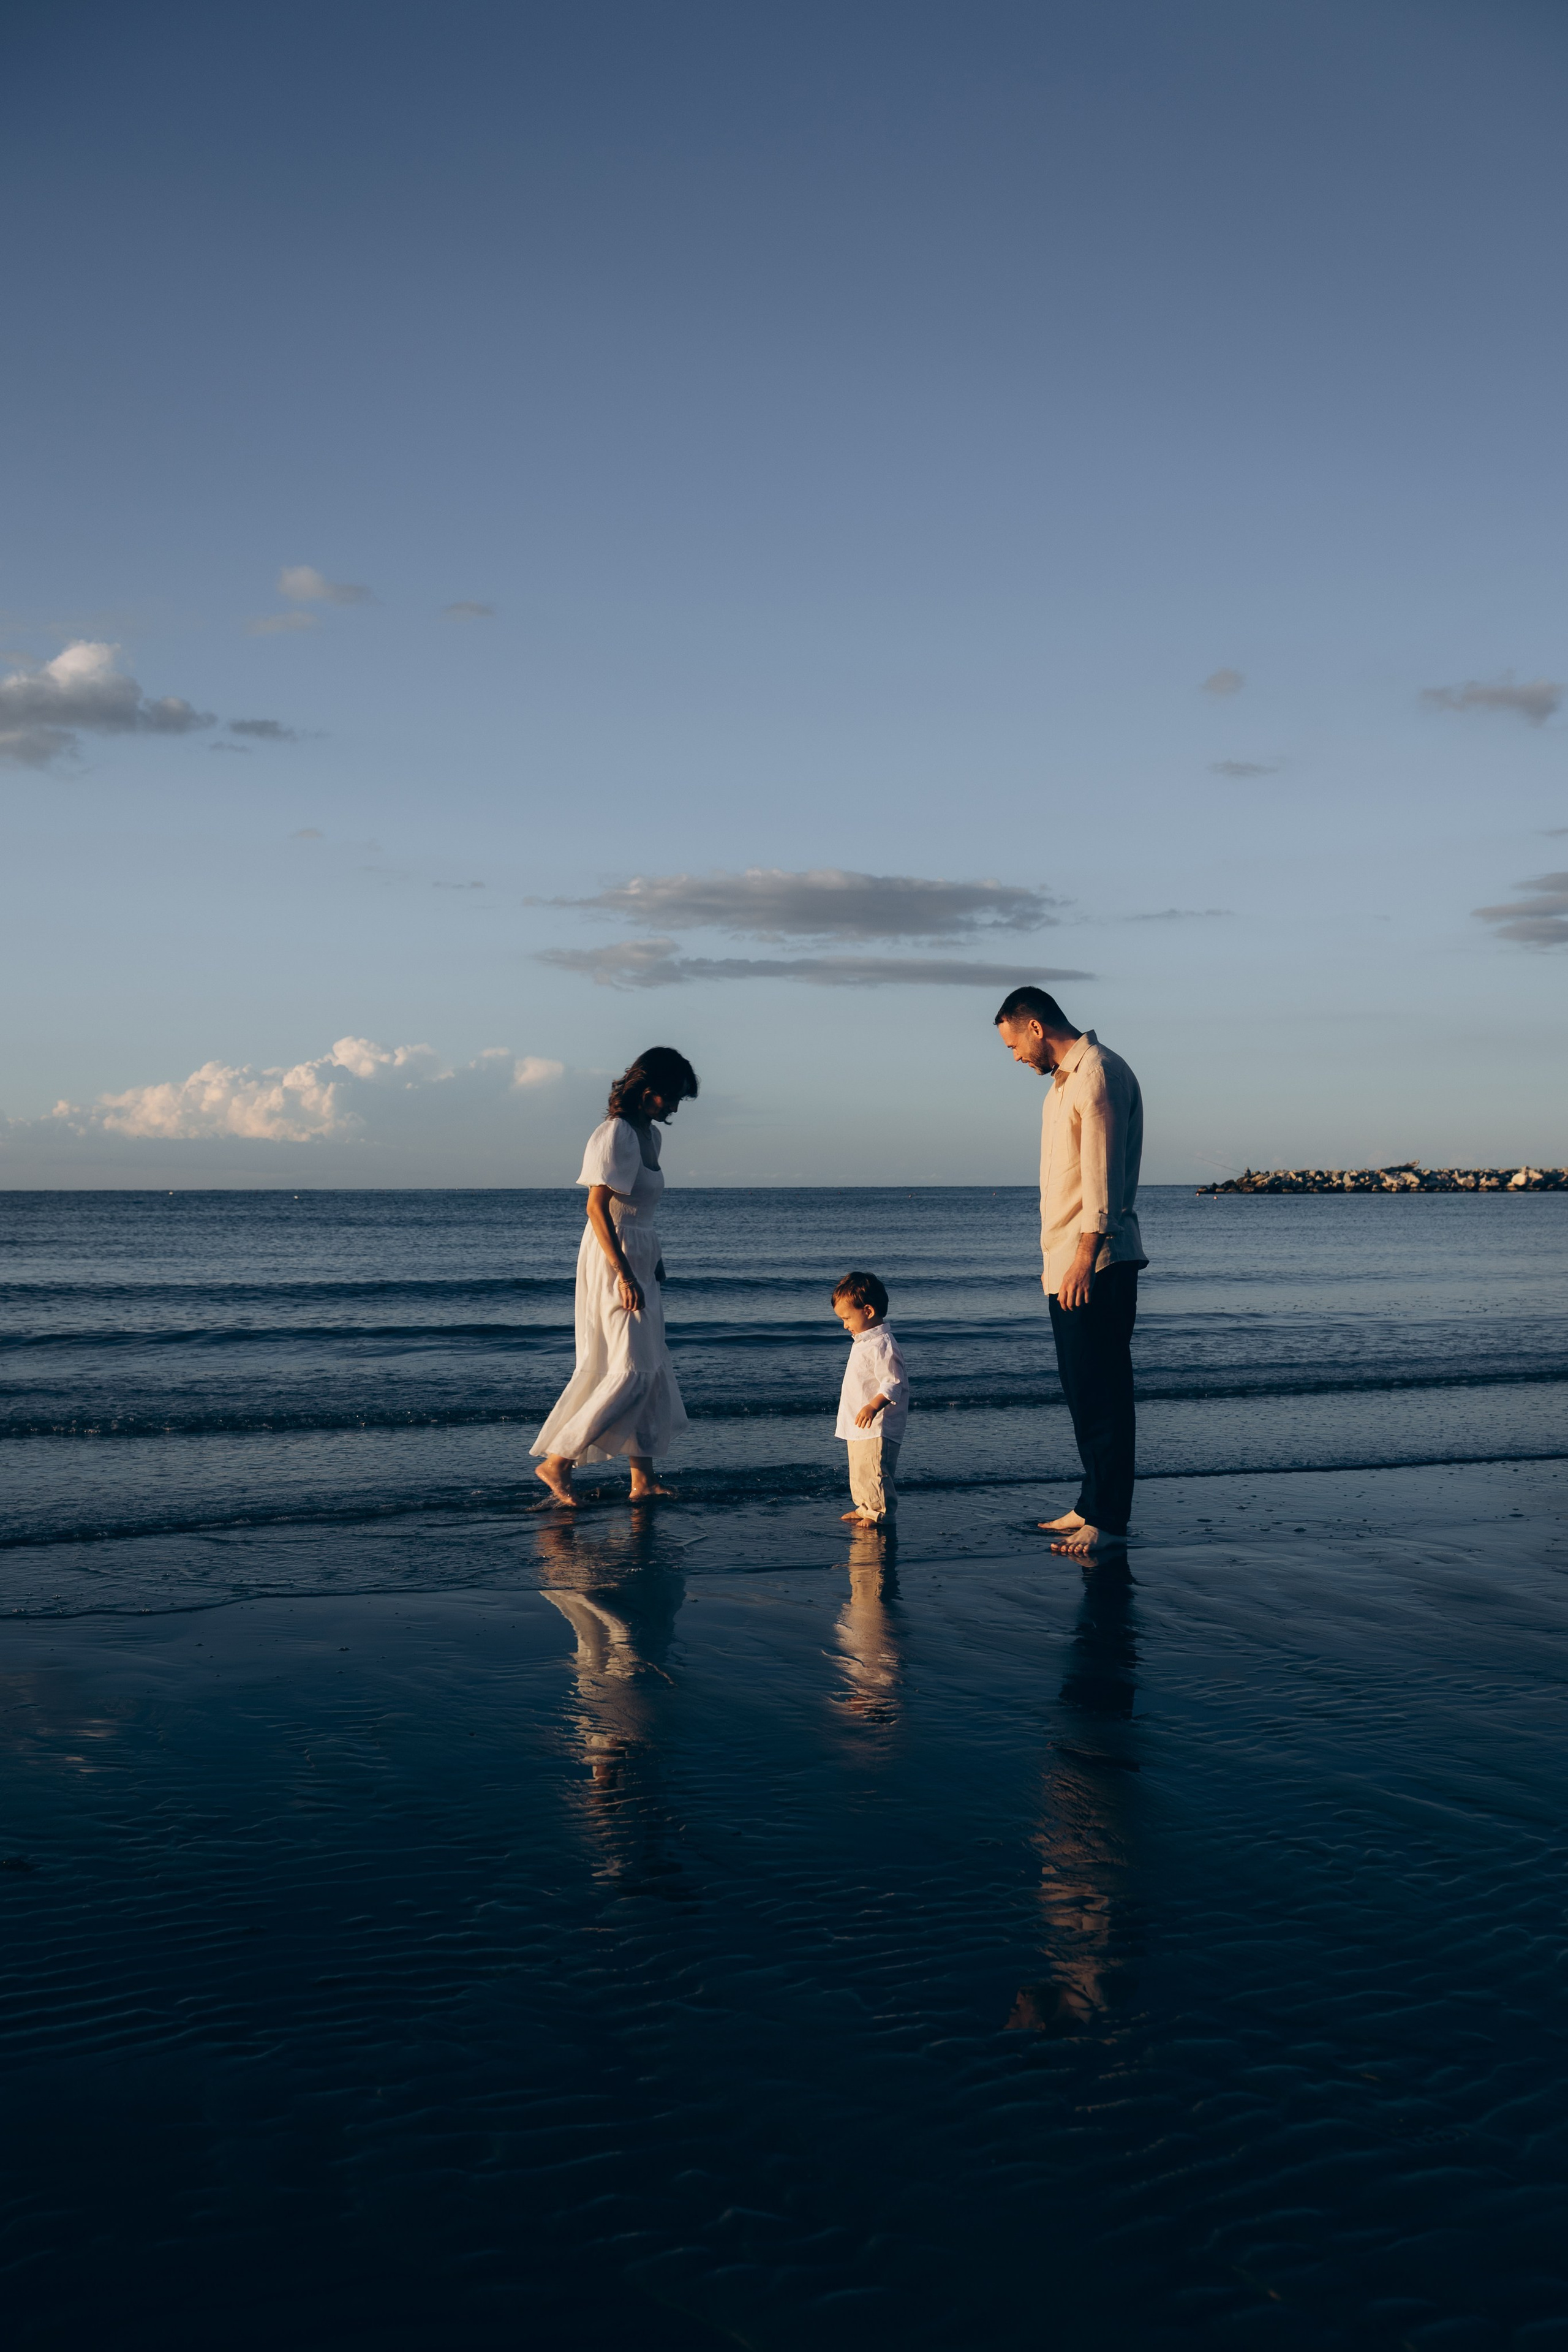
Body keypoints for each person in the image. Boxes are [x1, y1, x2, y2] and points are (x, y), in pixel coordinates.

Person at [993, 986, 1147, 1556]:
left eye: (1013, 1045)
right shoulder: (1061, 1086)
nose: (1014, 1058)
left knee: (1104, 1391)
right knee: (1083, 1390)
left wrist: (1084, 1258)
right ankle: (1091, 1502)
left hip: (1097, 1262)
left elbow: (1102, 1179)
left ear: (1034, 1028)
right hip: (1067, 1263)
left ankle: (1108, 1520)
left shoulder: (1097, 1074)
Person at [532, 1046, 699, 1507]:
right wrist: (624, 1274)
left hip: (641, 1254)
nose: (677, 1108)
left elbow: (638, 1209)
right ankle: (558, 1462)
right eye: (674, 1097)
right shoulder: (615, 1134)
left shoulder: (652, 1137)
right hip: (614, 1258)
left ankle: (643, 1479)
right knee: (629, 1370)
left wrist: (653, 1260)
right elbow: (596, 1209)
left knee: (652, 1367)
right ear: (650, 1091)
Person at [831, 1270, 908, 1526]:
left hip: (877, 1426)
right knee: (860, 1471)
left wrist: (873, 1406)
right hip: (859, 1423)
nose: (845, 1325)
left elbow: (892, 1382)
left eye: (846, 1318)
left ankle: (880, 1513)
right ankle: (865, 1508)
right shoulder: (864, 1341)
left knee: (875, 1470)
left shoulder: (882, 1344)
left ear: (868, 1311)